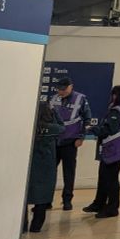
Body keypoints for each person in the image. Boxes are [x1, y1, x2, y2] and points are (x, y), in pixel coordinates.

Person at [85, 84, 120, 218]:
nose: (112, 97)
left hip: (115, 149)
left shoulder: (117, 111)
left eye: (114, 94)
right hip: (119, 148)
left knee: (110, 179)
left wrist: (91, 128)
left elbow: (108, 130)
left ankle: (112, 207)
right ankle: (99, 203)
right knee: (104, 177)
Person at [49, 76, 92, 210]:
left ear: (71, 87)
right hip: (54, 141)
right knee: (49, 172)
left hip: (70, 141)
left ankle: (67, 200)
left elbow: (87, 120)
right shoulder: (54, 99)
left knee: (69, 173)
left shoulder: (80, 99)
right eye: (59, 89)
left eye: (64, 89)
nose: (61, 92)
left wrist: (81, 137)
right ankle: (46, 200)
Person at [25, 101, 63, 232]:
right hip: (46, 168)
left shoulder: (29, 126)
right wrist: (55, 112)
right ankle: (35, 228)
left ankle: (22, 227)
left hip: (29, 168)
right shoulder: (52, 128)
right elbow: (62, 126)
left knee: (24, 198)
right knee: (42, 199)